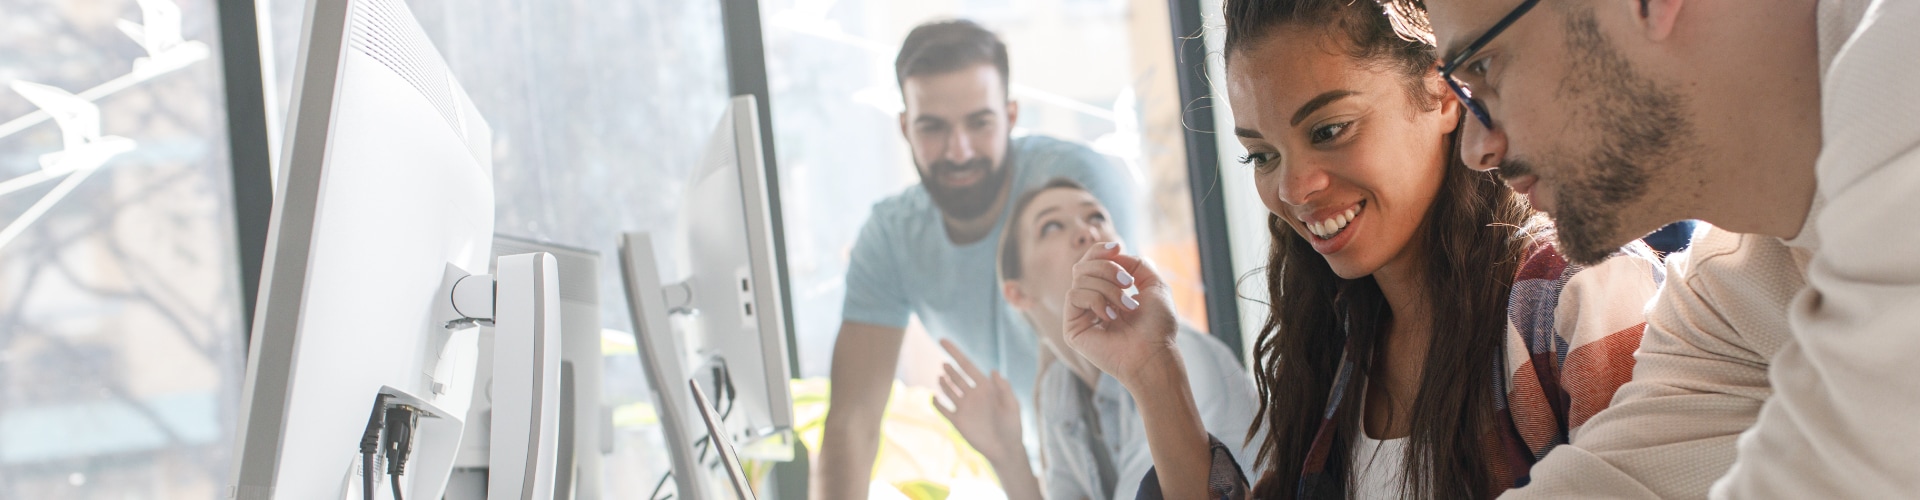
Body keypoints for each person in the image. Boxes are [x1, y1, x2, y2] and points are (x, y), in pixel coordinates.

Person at [1059, 0, 1664, 497]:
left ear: (1444, 93)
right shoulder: (1338, 344)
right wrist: (1154, 371)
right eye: (1262, 156)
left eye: (1329, 130)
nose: (1293, 189)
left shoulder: (1575, 298)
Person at [1413, 0, 1920, 495]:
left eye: (1483, 66)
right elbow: (1616, 483)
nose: (1475, 150)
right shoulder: (1724, 287)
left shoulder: (1901, 55)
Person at [812, 20, 1138, 500]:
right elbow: (851, 423)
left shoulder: (1073, 187)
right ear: (905, 127)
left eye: (979, 123)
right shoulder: (890, 236)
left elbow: (1124, 363)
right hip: (1038, 471)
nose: (958, 150)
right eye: (933, 127)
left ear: (1010, 116)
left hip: (1135, 448)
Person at [932, 179, 1261, 500]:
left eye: (1097, 217)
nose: (1087, 232)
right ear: (1018, 293)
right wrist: (1008, 456)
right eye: (1051, 227)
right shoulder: (1058, 388)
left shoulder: (1180, 358)